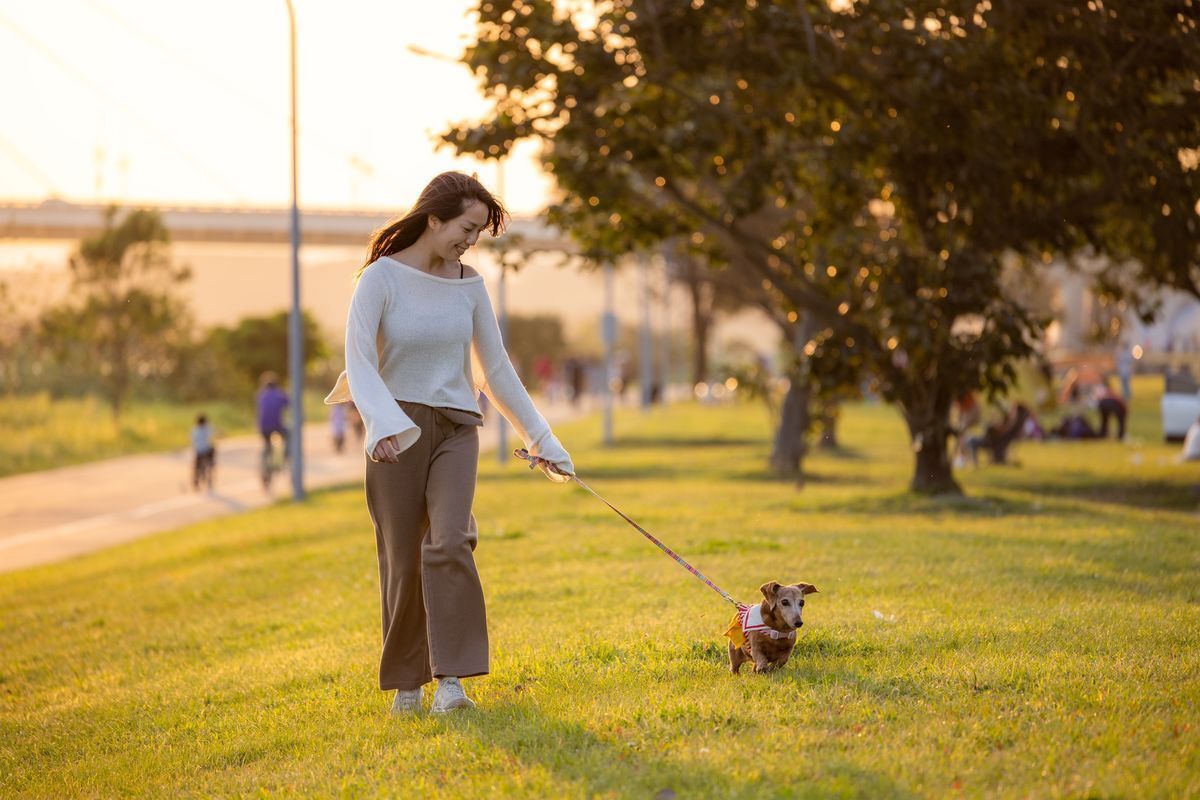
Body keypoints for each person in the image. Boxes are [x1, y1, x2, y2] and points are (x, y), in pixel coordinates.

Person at [323, 172, 574, 716]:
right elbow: (360, 360)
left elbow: (496, 371)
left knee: (451, 541)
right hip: (398, 427)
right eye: (466, 227)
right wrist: (380, 426)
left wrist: (543, 438)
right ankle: (407, 685)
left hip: (458, 427)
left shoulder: (470, 284)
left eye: (480, 231)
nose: (471, 240)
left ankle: (452, 682)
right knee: (403, 558)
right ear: (433, 218)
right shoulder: (380, 279)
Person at [256, 372, 290, 463]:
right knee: (288, 435)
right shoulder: (280, 394)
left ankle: (265, 464)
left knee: (267, 444)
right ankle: (286, 455)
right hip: (277, 425)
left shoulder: (261, 395)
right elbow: (290, 404)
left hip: (263, 426)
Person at [190, 413, 216, 491]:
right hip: (206, 450)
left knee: (197, 468)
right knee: (212, 451)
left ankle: (196, 482)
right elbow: (215, 433)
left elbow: (192, 440)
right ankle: (211, 467)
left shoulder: (194, 430)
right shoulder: (207, 429)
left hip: (198, 451)